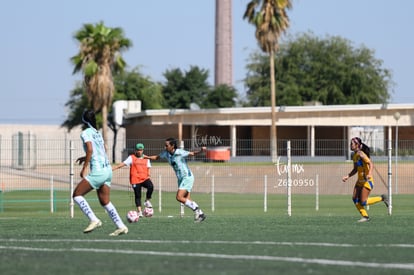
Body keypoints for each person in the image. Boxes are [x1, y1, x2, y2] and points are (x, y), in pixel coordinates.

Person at [72, 109, 128, 236]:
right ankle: (121, 226)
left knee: (77, 195)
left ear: (84, 120)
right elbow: (102, 150)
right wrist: (84, 157)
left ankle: (94, 219)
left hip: (98, 171)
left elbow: (91, 150)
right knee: (105, 201)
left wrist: (84, 167)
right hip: (107, 170)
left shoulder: (85, 133)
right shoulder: (98, 133)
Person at [145, 137, 206, 222]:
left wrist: (201, 151)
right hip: (181, 178)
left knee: (179, 197)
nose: (165, 147)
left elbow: (192, 153)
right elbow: (157, 157)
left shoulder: (179, 152)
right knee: (186, 198)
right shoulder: (166, 153)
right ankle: (201, 214)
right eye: (164, 145)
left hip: (187, 177)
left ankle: (197, 210)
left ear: (172, 146)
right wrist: (146, 157)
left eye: (166, 145)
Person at [342, 137, 389, 222]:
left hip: (367, 181)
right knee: (355, 199)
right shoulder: (355, 156)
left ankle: (382, 198)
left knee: (363, 202)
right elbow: (355, 169)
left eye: (352, 144)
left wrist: (370, 173)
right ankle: (365, 217)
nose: (350, 145)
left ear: (357, 145)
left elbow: (371, 164)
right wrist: (348, 176)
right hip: (359, 182)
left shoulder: (361, 154)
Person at [112, 143, 154, 217]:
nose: (139, 151)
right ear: (135, 150)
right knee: (138, 195)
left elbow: (148, 167)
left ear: (143, 150)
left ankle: (147, 200)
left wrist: (149, 175)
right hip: (135, 180)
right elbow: (123, 164)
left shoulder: (146, 158)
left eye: (141, 150)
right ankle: (140, 212)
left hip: (144, 178)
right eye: (138, 150)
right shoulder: (131, 157)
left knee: (151, 186)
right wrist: (113, 168)